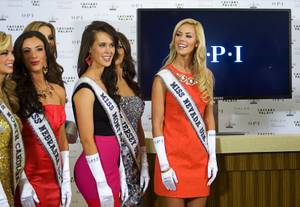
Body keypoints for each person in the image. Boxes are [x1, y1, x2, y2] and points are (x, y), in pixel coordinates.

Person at [151, 18, 218, 207]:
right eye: (178, 35)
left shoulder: (206, 77)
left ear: (197, 42)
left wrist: (212, 157)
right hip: (172, 160)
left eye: (188, 36)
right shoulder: (163, 78)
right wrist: (164, 166)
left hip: (199, 160)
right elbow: (157, 123)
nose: (182, 39)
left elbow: (209, 117)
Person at [72, 21, 128, 207]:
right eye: (102, 45)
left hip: (111, 167)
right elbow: (87, 139)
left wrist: (120, 174)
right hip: (94, 171)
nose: (109, 50)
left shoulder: (105, 82)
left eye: (111, 45)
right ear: (89, 48)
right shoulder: (85, 88)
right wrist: (101, 183)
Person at [13, 31, 72, 207]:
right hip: (30, 178)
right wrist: (23, 182)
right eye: (27, 51)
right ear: (20, 57)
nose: (34, 55)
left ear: (46, 52)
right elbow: (14, 141)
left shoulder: (59, 91)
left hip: (56, 177)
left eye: (39, 49)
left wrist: (67, 177)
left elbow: (62, 137)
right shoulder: (15, 93)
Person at [24, 21, 78, 144]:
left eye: (51, 38)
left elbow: (56, 116)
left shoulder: (55, 73)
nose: (48, 42)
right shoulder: (18, 78)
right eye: (42, 37)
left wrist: (67, 126)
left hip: (55, 150)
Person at [115, 32, 150, 207]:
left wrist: (144, 162)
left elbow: (137, 126)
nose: (114, 50)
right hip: (114, 162)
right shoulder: (98, 85)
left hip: (134, 163)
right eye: (110, 46)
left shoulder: (132, 85)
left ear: (125, 51)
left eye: (119, 46)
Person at [0, 31, 25, 207]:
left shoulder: (7, 92)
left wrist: (23, 180)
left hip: (8, 181)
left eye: (12, 52)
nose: (12, 58)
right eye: (4, 53)